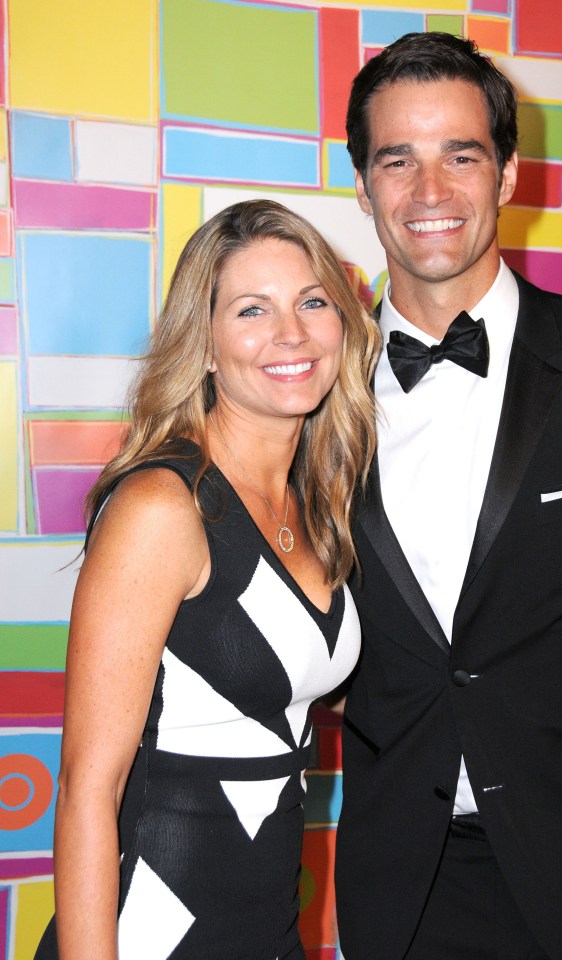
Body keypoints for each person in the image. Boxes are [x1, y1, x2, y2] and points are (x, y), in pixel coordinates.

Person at [334, 31, 562, 960]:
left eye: (461, 156)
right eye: (398, 161)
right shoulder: (311, 394)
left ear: (506, 174)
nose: (429, 193)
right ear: (362, 185)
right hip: (408, 891)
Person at [33, 199, 380, 960]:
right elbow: (89, 789)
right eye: (252, 310)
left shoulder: (321, 503)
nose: (291, 333)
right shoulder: (164, 506)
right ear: (208, 347)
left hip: (268, 928)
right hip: (153, 930)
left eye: (312, 301)